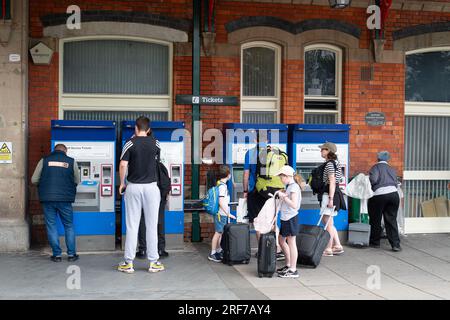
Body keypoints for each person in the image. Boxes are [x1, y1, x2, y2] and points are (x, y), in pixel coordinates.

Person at [118, 116, 164, 273]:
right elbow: (156, 159)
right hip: (151, 188)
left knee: (132, 226)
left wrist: (122, 183)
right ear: (149, 129)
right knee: (152, 226)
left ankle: (128, 263)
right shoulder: (155, 143)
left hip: (134, 187)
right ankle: (154, 263)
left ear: (135, 129)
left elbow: (123, 164)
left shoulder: (130, 143)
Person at [31, 144, 80, 262]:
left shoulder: (44, 161)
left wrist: (45, 186)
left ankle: (57, 255)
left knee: (51, 226)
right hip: (65, 200)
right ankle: (71, 255)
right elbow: (77, 180)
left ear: (54, 150)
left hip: (47, 199)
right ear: (65, 151)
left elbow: (34, 180)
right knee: (68, 226)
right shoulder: (71, 161)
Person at [244, 134, 286, 261]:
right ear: (267, 140)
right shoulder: (276, 152)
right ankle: (277, 248)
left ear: (255, 140)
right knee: (273, 220)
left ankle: (263, 250)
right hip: (275, 191)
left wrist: (245, 190)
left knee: (258, 220)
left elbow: (246, 174)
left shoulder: (250, 153)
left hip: (257, 191)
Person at [136, 130, 169, 259]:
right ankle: (160, 249)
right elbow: (166, 180)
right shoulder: (159, 162)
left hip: (144, 194)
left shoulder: (140, 164)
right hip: (159, 195)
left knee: (143, 221)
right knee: (159, 222)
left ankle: (143, 250)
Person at [368, 151, 401, 252]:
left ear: (378, 158)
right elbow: (396, 181)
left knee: (375, 219)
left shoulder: (375, 167)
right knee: (391, 220)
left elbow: (374, 179)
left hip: (379, 195)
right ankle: (395, 245)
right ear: (387, 159)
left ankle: (375, 242)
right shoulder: (391, 169)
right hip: (394, 195)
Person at [275, 166, 303, 278]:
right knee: (281, 240)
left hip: (291, 218)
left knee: (291, 243)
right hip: (286, 218)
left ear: (287, 176)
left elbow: (294, 205)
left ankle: (293, 269)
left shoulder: (293, 187)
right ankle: (288, 265)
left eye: (281, 177)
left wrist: (283, 196)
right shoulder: (290, 186)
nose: (280, 179)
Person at [318, 142, 345, 257]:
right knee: (330, 222)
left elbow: (332, 181)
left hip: (329, 194)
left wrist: (330, 199)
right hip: (334, 193)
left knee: (327, 222)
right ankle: (338, 245)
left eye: (322, 149)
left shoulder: (329, 164)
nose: (321, 151)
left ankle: (328, 248)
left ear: (328, 151)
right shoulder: (336, 163)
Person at [208, 165, 236, 262]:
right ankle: (213, 253)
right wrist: (228, 214)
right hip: (221, 214)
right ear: (228, 175)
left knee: (221, 233)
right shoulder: (222, 187)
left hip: (221, 214)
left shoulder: (220, 184)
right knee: (218, 233)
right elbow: (221, 201)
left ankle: (219, 250)